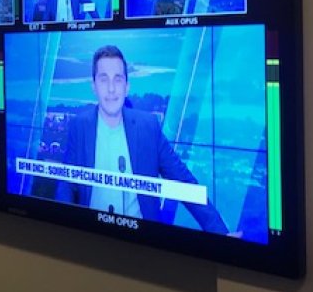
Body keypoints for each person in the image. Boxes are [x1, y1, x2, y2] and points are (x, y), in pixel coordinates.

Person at [55, 45, 229, 234]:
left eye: (118, 79)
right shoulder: (79, 126)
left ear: (127, 87)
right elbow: (66, 184)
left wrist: (221, 233)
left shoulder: (148, 127)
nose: (111, 89)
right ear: (94, 86)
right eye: (104, 79)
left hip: (142, 240)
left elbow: (182, 180)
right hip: (92, 236)